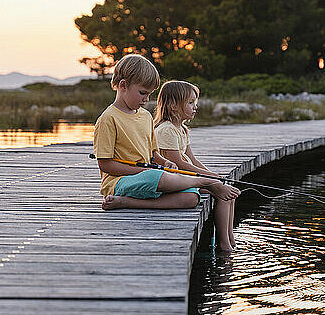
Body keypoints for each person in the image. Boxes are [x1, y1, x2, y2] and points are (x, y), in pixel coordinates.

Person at [94, 54, 240, 211]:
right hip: (120, 182)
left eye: (149, 94)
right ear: (123, 85)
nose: (146, 99)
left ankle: (126, 202)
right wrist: (144, 170)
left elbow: (152, 153)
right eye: (142, 93)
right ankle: (205, 181)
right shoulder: (108, 119)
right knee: (155, 177)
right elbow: (105, 165)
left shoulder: (145, 116)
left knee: (191, 198)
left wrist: (164, 162)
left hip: (149, 178)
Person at [154, 80, 237, 252]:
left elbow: (192, 159)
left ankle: (230, 239)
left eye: (195, 103)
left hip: (187, 178)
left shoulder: (182, 129)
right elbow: (179, 164)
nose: (195, 107)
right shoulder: (166, 130)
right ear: (173, 105)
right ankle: (224, 245)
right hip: (175, 180)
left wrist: (213, 175)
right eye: (190, 102)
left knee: (227, 191)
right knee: (222, 194)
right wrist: (210, 180)